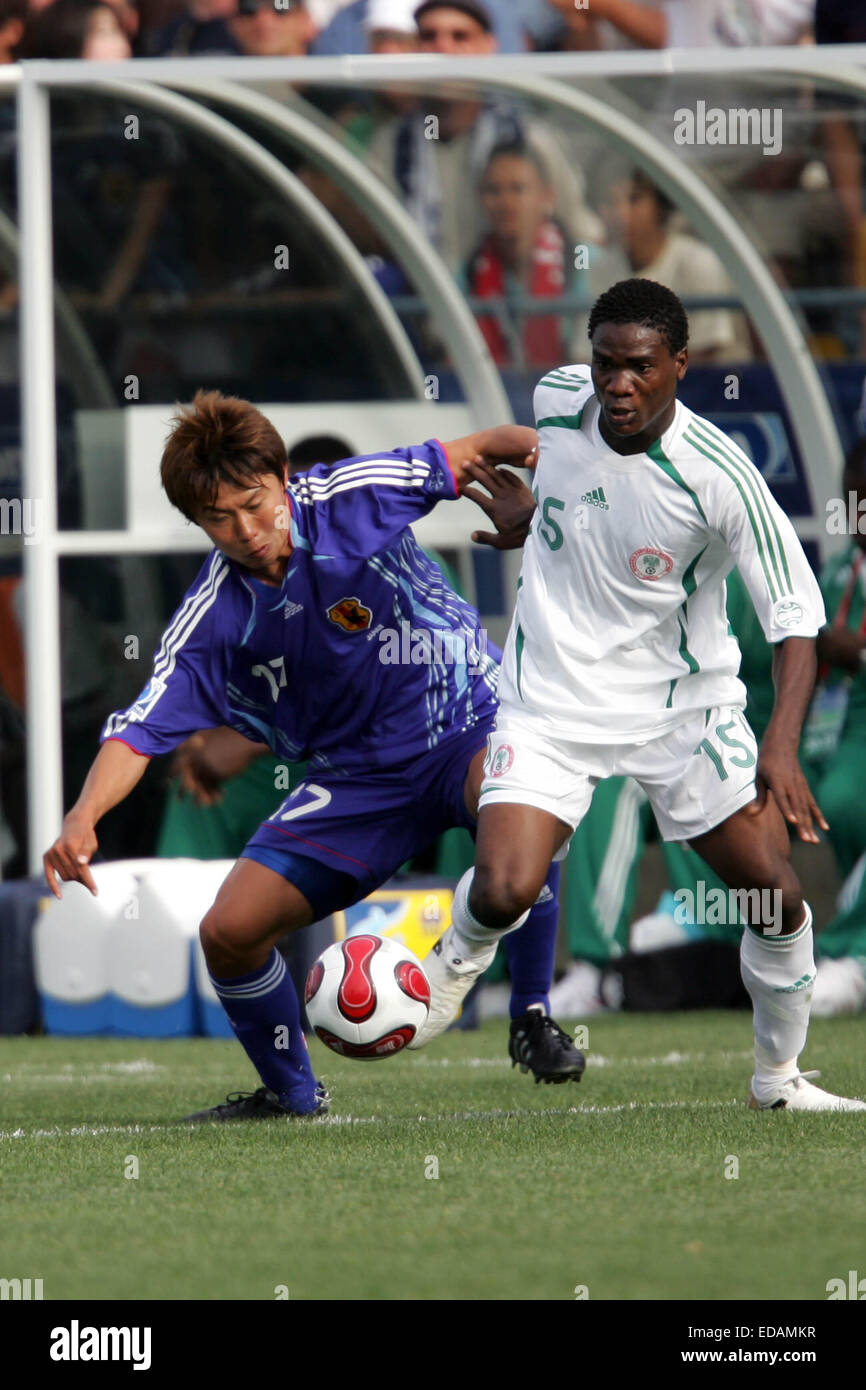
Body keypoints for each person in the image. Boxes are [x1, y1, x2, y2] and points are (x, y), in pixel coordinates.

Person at [43, 396, 585, 1121]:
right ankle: (292, 1096)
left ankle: (532, 1014)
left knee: (518, 800)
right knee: (228, 932)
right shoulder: (215, 617)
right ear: (197, 523)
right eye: (219, 519)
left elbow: (491, 444)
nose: (246, 530)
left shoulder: (348, 497)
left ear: (282, 476)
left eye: (255, 503)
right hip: (356, 779)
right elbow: (138, 729)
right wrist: (83, 816)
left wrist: (554, 487)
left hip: (469, 720)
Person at [414, 276, 866, 1113]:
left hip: (682, 715)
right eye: (605, 364)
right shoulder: (557, 400)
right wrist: (530, 509)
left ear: (680, 366)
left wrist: (779, 746)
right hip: (550, 701)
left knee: (778, 897)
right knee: (505, 887)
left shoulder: (720, 474)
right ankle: (449, 973)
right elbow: (547, 466)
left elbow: (797, 621)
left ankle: (779, 1081)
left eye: (640, 367)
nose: (618, 384)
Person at [366, 0, 601, 275]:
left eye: (460, 37)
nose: (443, 48)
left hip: (516, 309)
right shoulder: (388, 146)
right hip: (422, 309)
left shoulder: (528, 140)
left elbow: (583, 238)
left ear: (488, 47)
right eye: (429, 37)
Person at [575, 167, 751, 365]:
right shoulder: (601, 269)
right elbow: (587, 355)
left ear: (660, 204)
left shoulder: (698, 262)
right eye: (609, 202)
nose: (621, 214)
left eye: (634, 199)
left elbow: (706, 354)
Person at [465, 140, 574, 370]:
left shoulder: (581, 264)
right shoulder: (468, 271)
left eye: (518, 189)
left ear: (547, 197)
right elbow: (456, 362)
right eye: (494, 190)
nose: (506, 203)